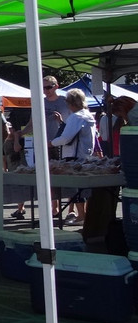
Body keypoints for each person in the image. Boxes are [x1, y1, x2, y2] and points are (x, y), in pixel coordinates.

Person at [51, 89, 98, 225]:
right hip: (85, 155)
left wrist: (51, 143)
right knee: (84, 188)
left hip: (73, 156)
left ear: (71, 103)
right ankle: (85, 215)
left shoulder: (76, 117)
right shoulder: (88, 115)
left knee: (75, 189)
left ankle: (81, 216)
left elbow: (66, 138)